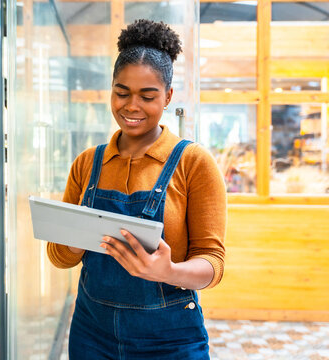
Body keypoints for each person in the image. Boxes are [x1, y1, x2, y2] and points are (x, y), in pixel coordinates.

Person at [47, 19, 226, 359]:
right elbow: (58, 257)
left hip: (170, 339)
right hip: (91, 333)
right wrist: (74, 237)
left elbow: (213, 263)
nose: (131, 106)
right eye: (121, 93)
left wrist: (169, 271)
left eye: (147, 96)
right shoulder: (87, 164)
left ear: (168, 96)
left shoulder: (194, 163)